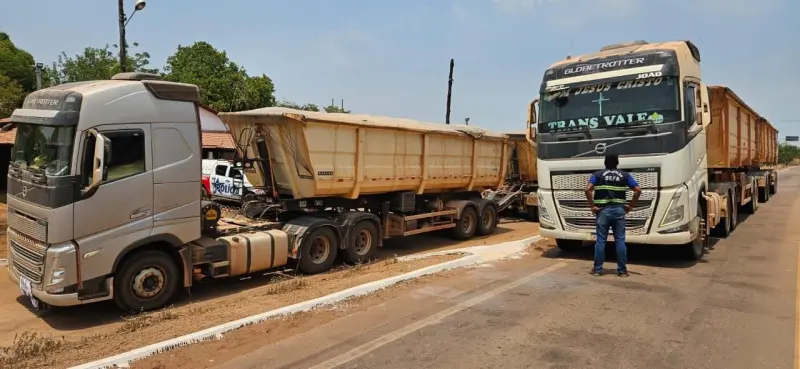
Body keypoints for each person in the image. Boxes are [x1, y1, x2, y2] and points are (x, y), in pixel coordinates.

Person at [585, 154, 641, 277]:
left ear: (605, 163)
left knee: (601, 241)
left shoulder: (597, 174)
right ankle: (622, 271)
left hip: (603, 211)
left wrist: (592, 206)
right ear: (617, 163)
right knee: (620, 241)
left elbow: (588, 189)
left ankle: (597, 270)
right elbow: (638, 190)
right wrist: (630, 206)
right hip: (619, 211)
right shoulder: (625, 175)